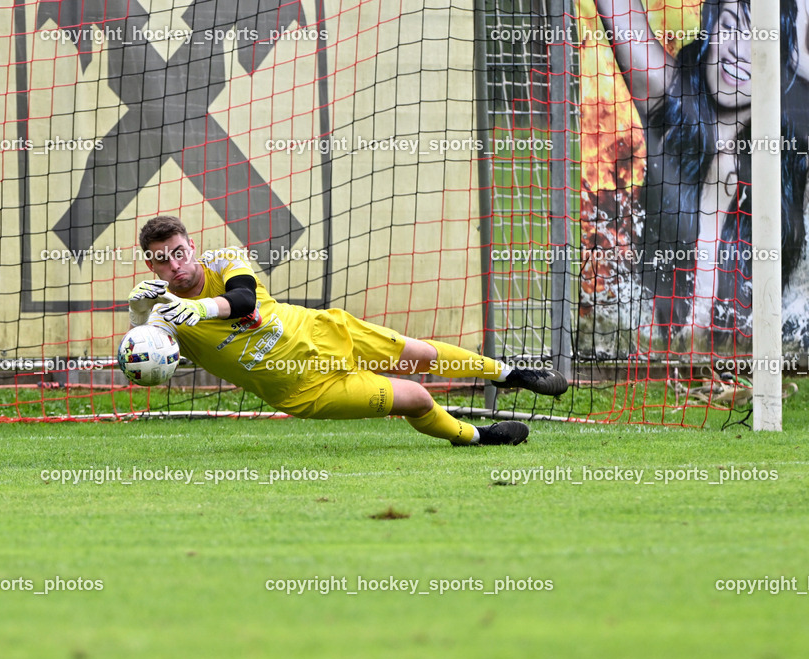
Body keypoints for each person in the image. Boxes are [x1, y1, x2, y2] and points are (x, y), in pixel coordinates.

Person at [126, 216, 568, 446]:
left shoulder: (222, 261)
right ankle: (476, 437)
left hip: (323, 333)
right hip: (304, 389)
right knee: (417, 398)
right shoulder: (161, 314)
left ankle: (511, 375)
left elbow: (243, 301)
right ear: (151, 264)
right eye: (162, 259)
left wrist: (199, 308)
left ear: (193, 248)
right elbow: (146, 359)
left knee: (419, 355)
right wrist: (139, 320)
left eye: (179, 252)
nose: (174, 265)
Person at [597, 0, 805, 353]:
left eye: (759, 38)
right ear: (710, 30)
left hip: (760, 345)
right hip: (658, 339)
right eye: (729, 25)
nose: (738, 50)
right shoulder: (669, 95)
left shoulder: (791, 140)